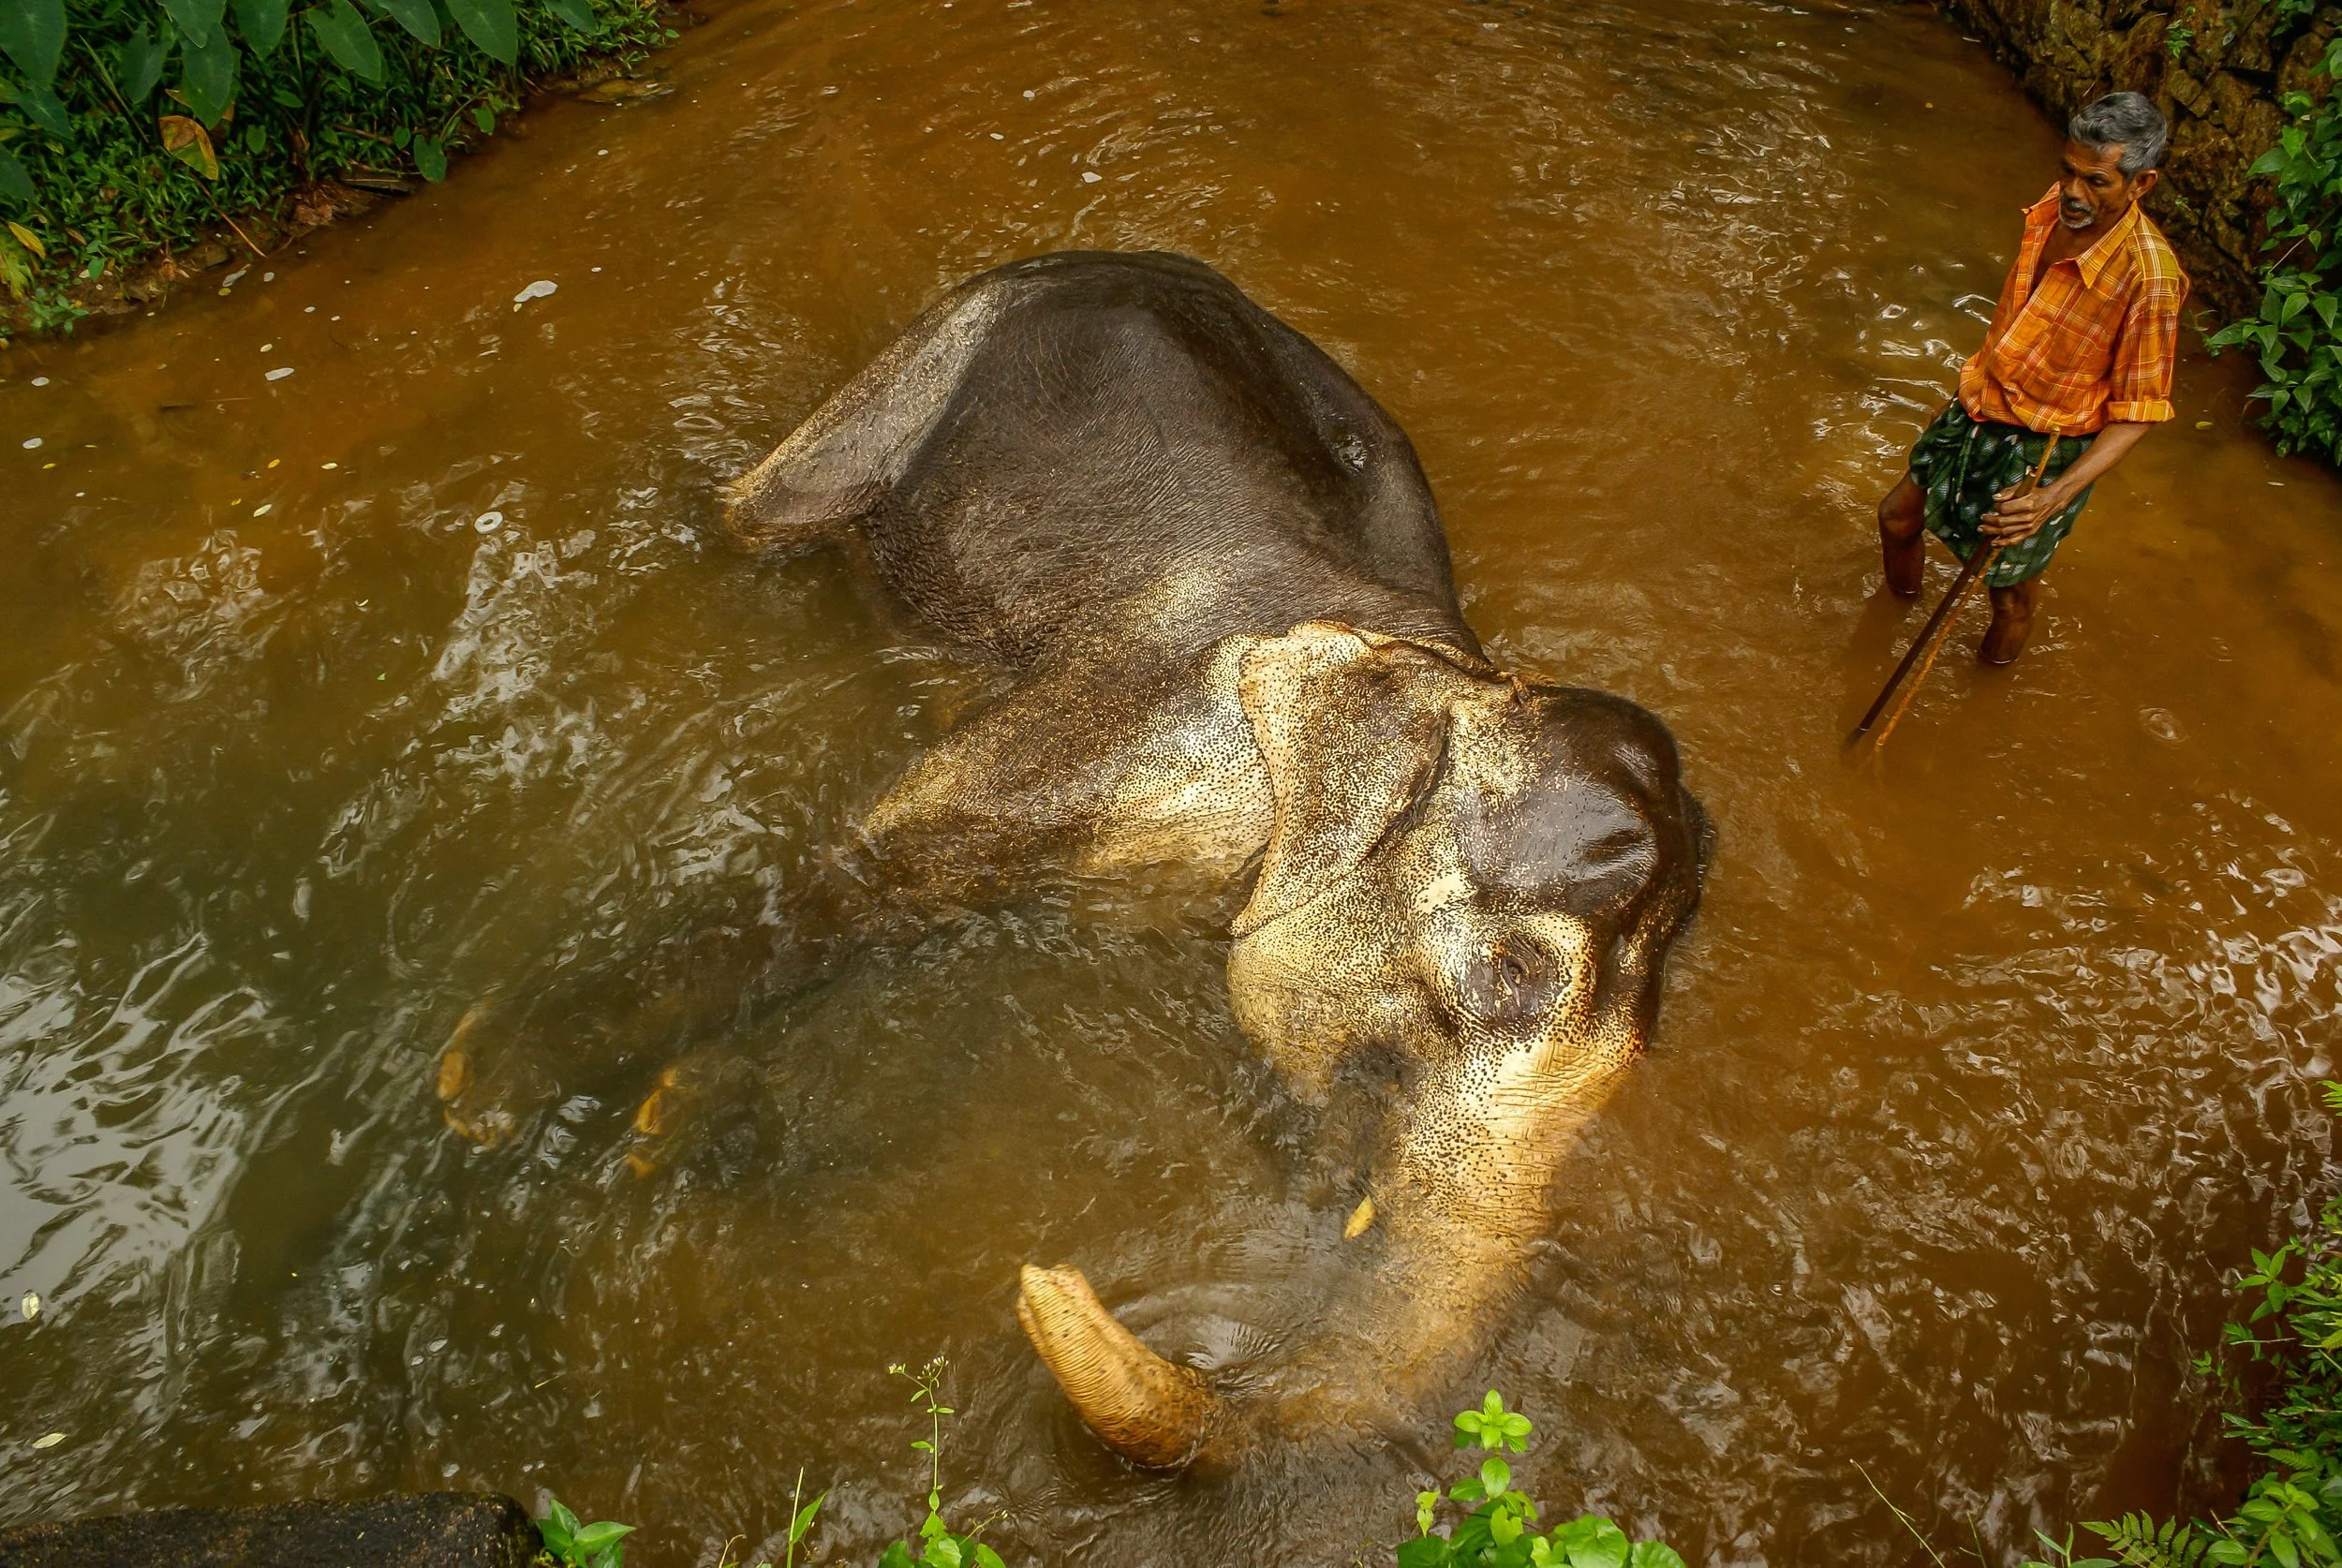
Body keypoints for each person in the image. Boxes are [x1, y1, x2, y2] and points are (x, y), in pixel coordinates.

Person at [1875, 92, 2187, 664]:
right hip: (1980, 401)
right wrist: (1964, 393)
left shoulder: (2150, 279)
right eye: (2067, 171)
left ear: (2141, 184)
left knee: (2009, 596)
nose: (2073, 192)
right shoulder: (2052, 209)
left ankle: (1987, 684)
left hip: (2043, 450)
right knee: (1896, 518)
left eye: (2096, 181)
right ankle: (1884, 631)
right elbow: (2017, 321)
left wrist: (2051, 497)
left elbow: (2138, 412)